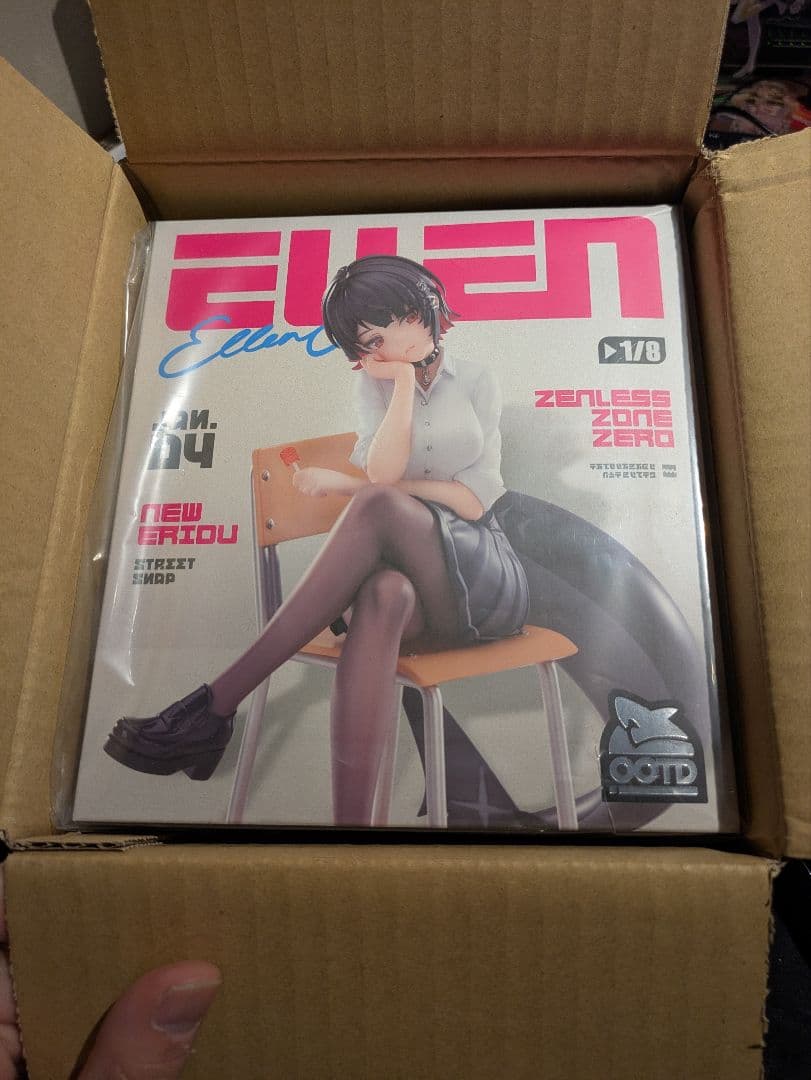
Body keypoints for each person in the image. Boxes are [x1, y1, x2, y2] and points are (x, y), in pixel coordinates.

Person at [103, 255, 529, 827]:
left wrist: (354, 488)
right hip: (416, 596)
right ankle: (352, 833)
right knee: (384, 593)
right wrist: (403, 384)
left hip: (481, 580)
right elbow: (383, 469)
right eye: (367, 344)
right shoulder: (376, 385)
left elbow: (471, 501)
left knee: (375, 503)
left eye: (387, 329)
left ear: (418, 309)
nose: (380, 351)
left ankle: (215, 706)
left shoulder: (477, 379)